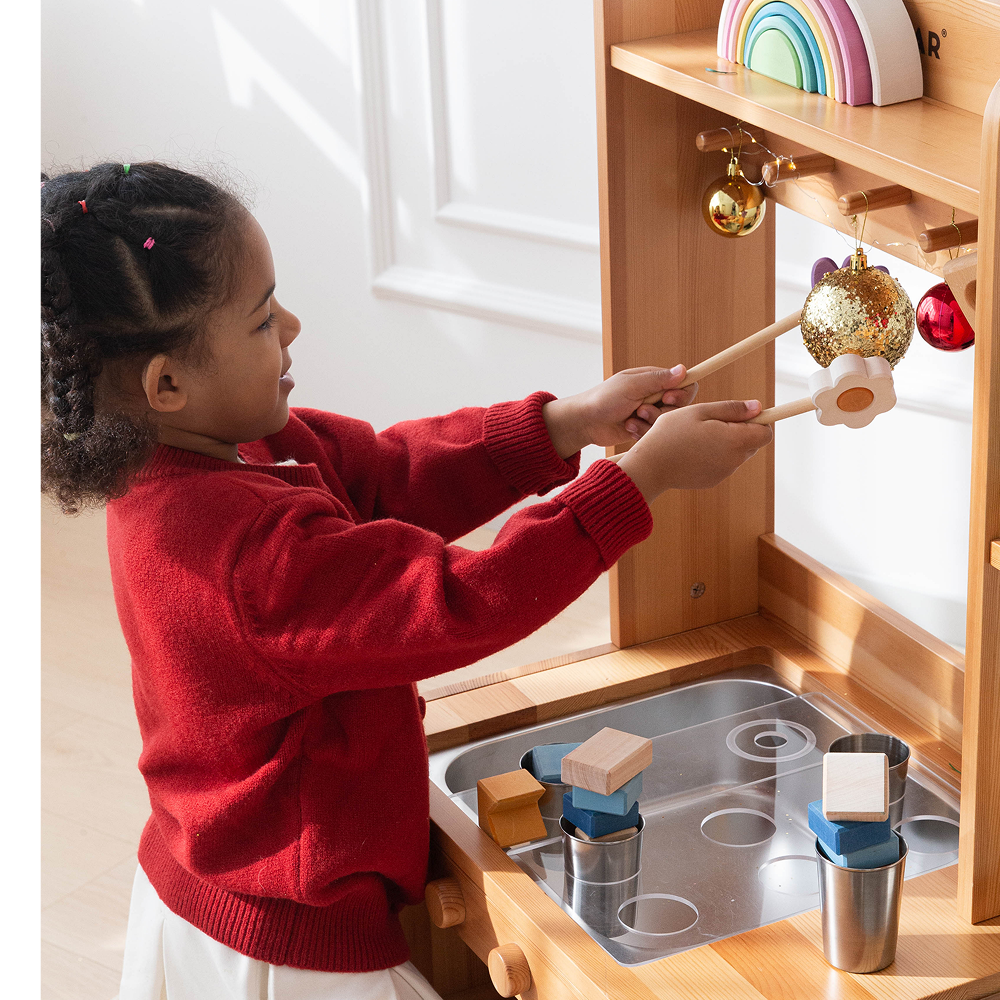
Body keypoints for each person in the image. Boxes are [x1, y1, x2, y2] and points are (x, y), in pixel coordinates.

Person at [40, 162, 772, 999]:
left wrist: (565, 424)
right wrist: (637, 481)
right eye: (262, 319)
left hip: (217, 882)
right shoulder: (246, 558)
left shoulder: (221, 451)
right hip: (288, 942)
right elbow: (460, 602)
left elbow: (388, 474)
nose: (293, 326)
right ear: (167, 383)